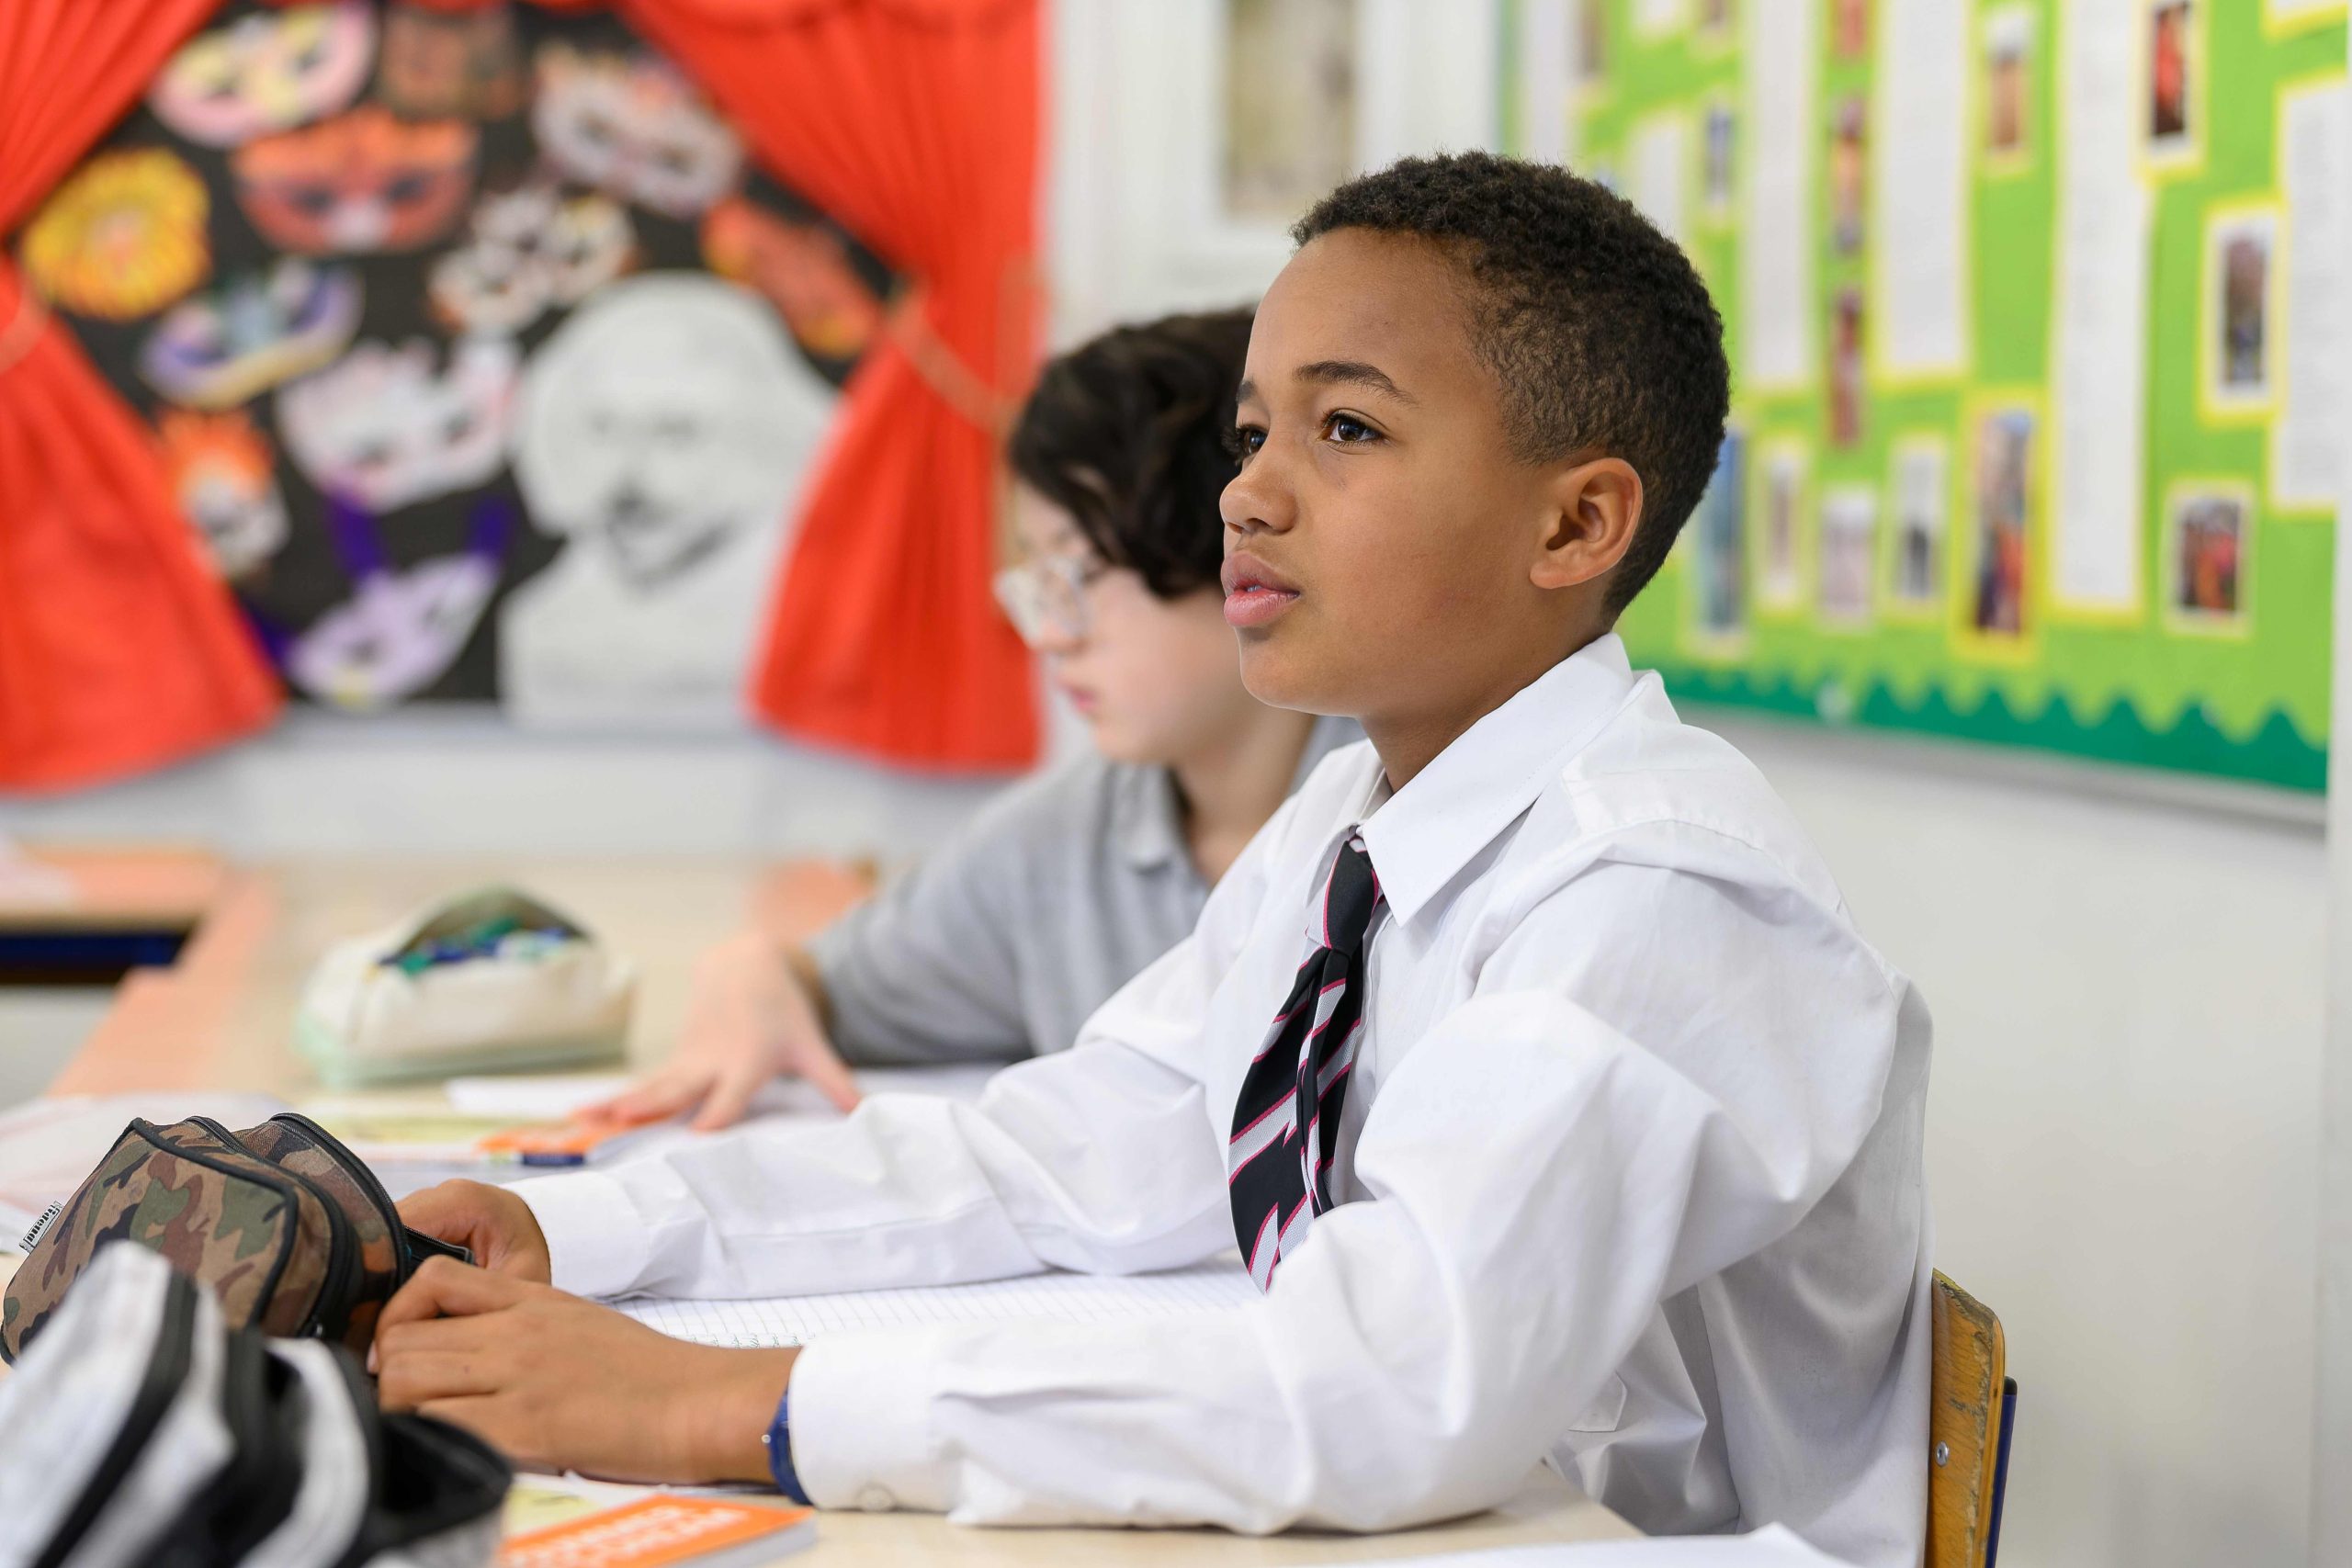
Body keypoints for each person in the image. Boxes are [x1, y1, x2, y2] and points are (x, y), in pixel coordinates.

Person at [379, 152, 1932, 1568]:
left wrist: (721, 1407)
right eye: (1255, 429)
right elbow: (1067, 1157)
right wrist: (590, 1233)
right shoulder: (1354, 830)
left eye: (1348, 427)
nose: (1246, 493)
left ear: (1579, 523)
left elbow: (1381, 1397)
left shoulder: (1647, 895)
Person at [583, 306, 1354, 1127]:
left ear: (1245, 544)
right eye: (1035, 580)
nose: (1050, 634)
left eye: (1082, 571)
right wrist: (753, 973)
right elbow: (812, 982)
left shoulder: (1410, 797)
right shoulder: (1051, 845)